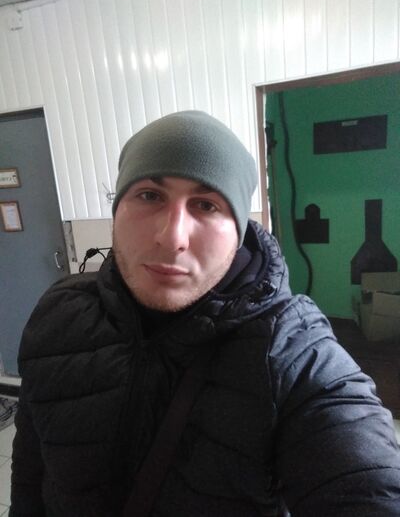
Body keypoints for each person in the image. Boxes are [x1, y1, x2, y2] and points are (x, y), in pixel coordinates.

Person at [10, 111, 400, 517]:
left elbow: (367, 485)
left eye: (206, 204)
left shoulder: (289, 347)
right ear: (117, 208)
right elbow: (30, 476)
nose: (172, 237)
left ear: (239, 232)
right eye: (149, 196)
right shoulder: (59, 313)